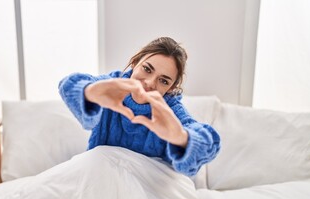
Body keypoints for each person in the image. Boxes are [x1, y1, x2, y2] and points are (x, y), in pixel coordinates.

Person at [58, 36, 220, 177]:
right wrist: (90, 92)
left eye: (163, 81)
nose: (149, 83)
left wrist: (180, 136)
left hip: (148, 192)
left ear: (170, 88)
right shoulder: (112, 85)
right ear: (135, 63)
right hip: (101, 180)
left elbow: (209, 143)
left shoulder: (170, 109)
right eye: (147, 69)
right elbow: (68, 85)